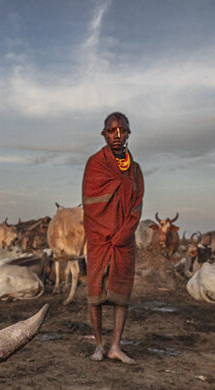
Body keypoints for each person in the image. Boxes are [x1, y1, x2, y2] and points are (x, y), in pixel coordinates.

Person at [81, 111, 144, 364]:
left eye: (122, 130)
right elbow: (90, 203)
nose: (117, 135)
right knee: (95, 294)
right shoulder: (94, 164)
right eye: (111, 130)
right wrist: (106, 232)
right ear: (104, 134)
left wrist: (124, 232)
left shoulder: (135, 169)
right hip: (98, 239)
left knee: (121, 295)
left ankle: (116, 346)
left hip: (125, 240)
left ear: (128, 133)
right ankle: (98, 345)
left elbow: (137, 205)